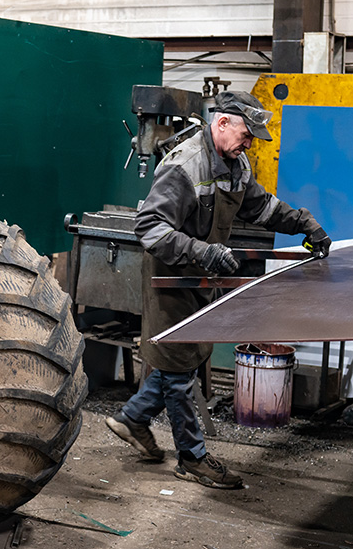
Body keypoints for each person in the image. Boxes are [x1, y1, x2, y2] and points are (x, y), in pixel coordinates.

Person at [105, 90, 331, 489]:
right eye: (245, 134)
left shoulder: (235, 164)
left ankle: (132, 418)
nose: (248, 144)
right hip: (170, 275)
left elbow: (261, 208)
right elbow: (150, 229)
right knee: (177, 371)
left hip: (200, 273)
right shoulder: (185, 165)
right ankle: (192, 458)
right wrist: (203, 252)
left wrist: (304, 223)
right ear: (222, 123)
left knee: (184, 359)